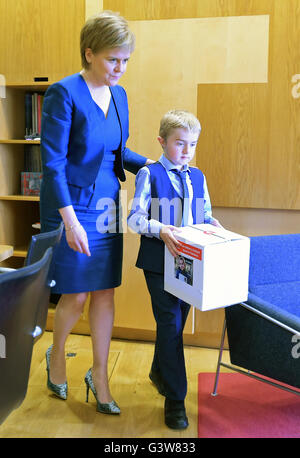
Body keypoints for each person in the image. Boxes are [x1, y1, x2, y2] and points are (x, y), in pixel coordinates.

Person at [40, 11, 153, 414]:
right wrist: (69, 221)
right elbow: (51, 163)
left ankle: (100, 375)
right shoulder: (63, 92)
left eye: (125, 61)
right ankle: (56, 354)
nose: (120, 69)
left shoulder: (119, 95)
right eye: (112, 60)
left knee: (105, 290)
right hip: (70, 203)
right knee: (76, 293)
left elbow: (118, 153)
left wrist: (155, 167)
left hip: (107, 202)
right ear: (89, 53)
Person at [127, 110, 222, 429]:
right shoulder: (149, 174)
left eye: (192, 144)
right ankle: (175, 399)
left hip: (188, 262)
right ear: (161, 142)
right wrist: (161, 228)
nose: (186, 151)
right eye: (179, 143)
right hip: (157, 262)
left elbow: (205, 214)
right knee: (169, 324)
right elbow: (134, 219)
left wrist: (214, 225)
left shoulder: (198, 176)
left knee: (176, 324)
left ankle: (158, 371)